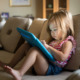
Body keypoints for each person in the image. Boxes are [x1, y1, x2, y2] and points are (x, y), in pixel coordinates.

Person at [0, 10, 76, 80]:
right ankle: (10, 65)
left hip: (51, 69)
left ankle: (20, 73)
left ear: (66, 27)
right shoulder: (54, 41)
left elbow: (62, 57)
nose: (52, 33)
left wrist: (48, 47)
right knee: (26, 46)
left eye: (55, 29)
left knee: (35, 50)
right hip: (42, 64)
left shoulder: (67, 42)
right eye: (51, 30)